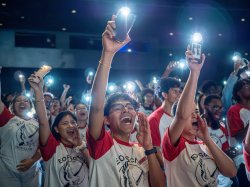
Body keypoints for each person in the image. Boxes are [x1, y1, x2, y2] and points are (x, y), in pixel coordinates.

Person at [87, 15, 165, 187]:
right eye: (118, 108)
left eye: (130, 107)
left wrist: (149, 148)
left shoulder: (140, 149)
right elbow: (97, 105)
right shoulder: (102, 144)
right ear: (106, 119)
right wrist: (108, 53)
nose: (126, 110)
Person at [162, 47, 237, 186]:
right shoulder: (172, 144)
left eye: (196, 112)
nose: (194, 116)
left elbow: (231, 172)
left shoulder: (204, 145)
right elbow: (181, 115)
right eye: (190, 114)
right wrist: (195, 73)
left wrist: (207, 139)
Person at [28, 74, 90, 187]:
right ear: (56, 129)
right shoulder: (51, 147)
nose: (71, 126)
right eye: (65, 123)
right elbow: (43, 122)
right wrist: (38, 90)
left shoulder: (84, 147)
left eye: (73, 122)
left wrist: (81, 146)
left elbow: (96, 169)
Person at [0, 67, 41, 187]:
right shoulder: (6, 118)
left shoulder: (39, 124)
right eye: (18, 101)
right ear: (12, 106)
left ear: (31, 106)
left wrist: (32, 161)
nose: (22, 102)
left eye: (26, 101)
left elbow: (43, 148)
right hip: (7, 173)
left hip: (32, 174)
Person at [148, 77, 181, 168]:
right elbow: (156, 149)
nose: (179, 95)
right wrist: (170, 169)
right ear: (164, 94)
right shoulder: (154, 119)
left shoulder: (181, 116)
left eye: (179, 91)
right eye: (175, 91)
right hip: (170, 170)